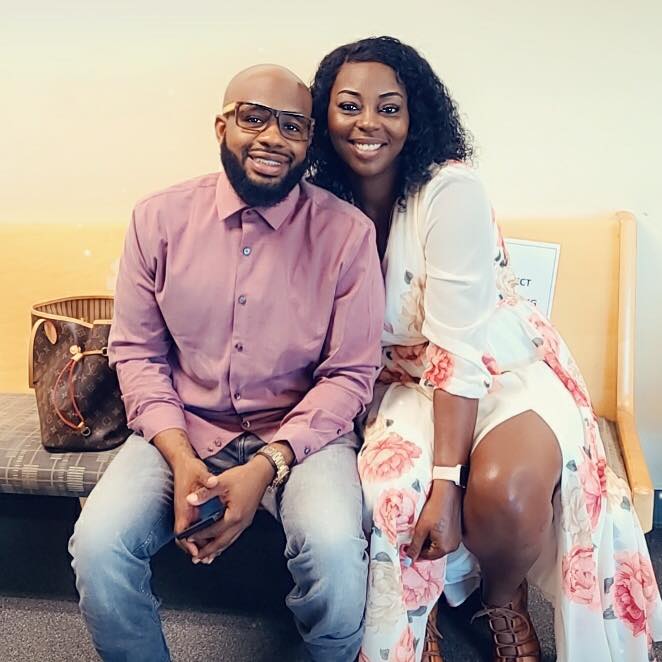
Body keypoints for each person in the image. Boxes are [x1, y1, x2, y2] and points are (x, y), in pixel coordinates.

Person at [308, 36, 662, 662]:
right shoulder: (322, 200)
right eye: (349, 106)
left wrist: (447, 482)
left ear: (415, 116)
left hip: (496, 365)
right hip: (400, 381)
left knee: (505, 492)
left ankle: (503, 599)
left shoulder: (450, 190)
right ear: (324, 114)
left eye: (389, 107)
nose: (368, 123)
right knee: (390, 491)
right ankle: (418, 613)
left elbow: (458, 347)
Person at [69, 64, 385, 662]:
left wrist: (268, 464)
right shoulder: (158, 219)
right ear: (222, 126)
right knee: (99, 545)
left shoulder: (347, 235)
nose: (272, 137)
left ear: (309, 140)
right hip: (185, 423)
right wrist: (180, 456)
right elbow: (137, 352)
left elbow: (349, 374)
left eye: (292, 125)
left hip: (302, 433)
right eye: (253, 118)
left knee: (336, 553)